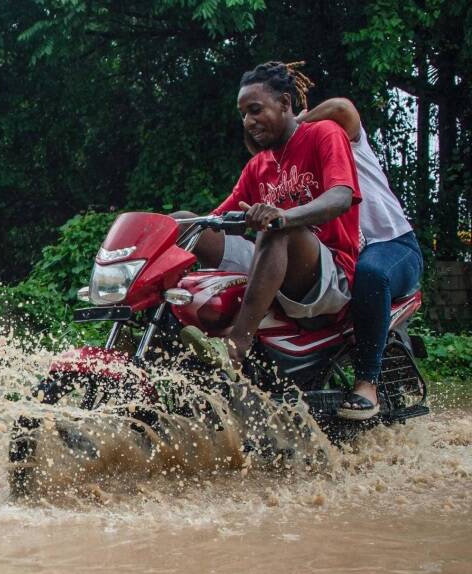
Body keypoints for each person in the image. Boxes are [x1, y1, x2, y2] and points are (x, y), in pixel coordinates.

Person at [182, 61, 362, 373]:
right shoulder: (258, 165)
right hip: (274, 262)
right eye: (243, 115)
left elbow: (341, 196)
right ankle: (152, 330)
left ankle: (237, 346)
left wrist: (284, 216)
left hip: (331, 275)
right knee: (186, 222)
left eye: (255, 109)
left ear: (285, 103)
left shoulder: (323, 134)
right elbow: (219, 218)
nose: (248, 121)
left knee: (277, 227)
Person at [295, 97, 424, 420]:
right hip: (339, 257)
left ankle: (367, 382)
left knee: (372, 273)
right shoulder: (286, 170)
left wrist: (299, 124)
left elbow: (342, 108)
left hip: (393, 246)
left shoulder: (337, 139)